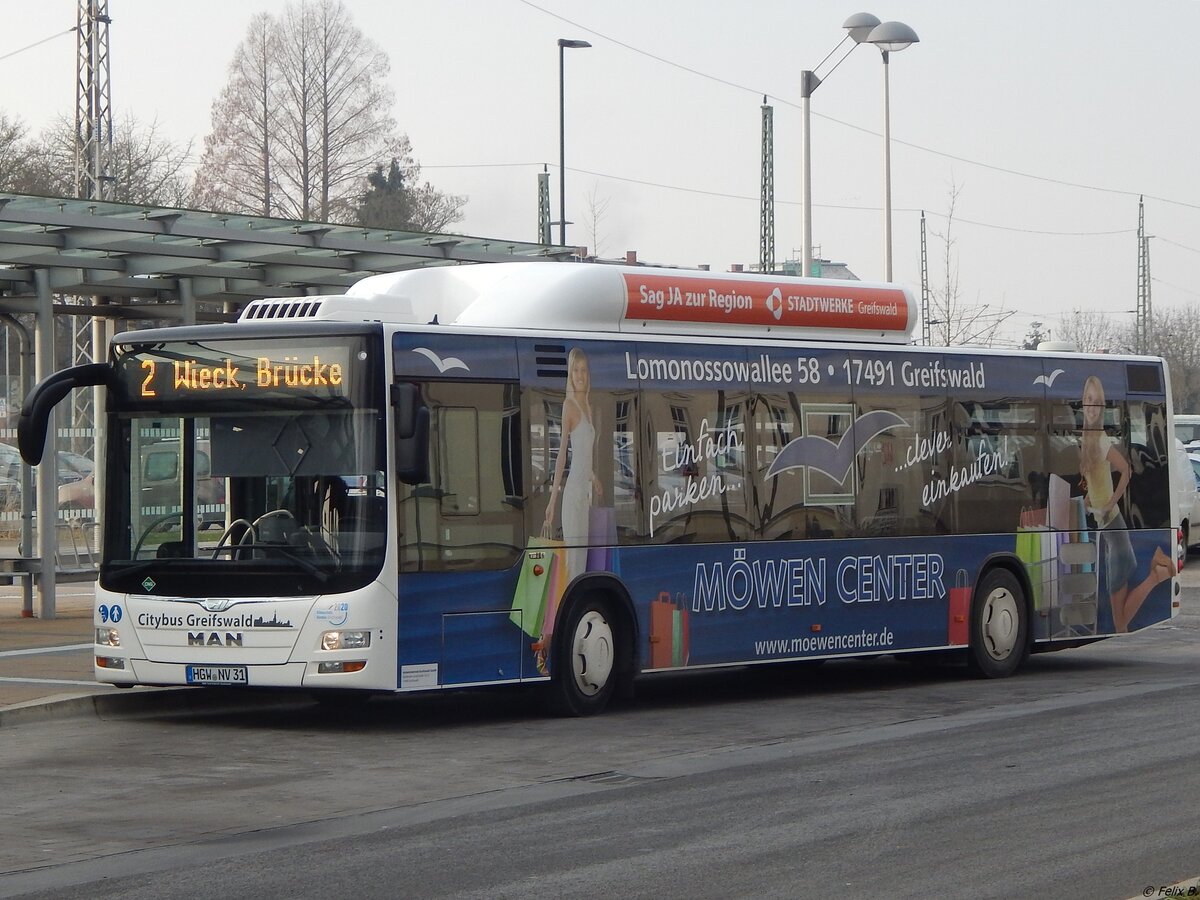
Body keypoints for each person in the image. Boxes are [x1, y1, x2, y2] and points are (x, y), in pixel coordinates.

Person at [1078, 375, 1173, 632]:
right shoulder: (1087, 439)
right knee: (1119, 623)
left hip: (1114, 531)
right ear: (1082, 402)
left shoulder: (1099, 439)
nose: (1091, 407)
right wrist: (1087, 500)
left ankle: (1158, 575)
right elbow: (1097, 481)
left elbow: (1126, 470)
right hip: (1110, 532)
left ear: (1102, 407)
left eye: (1097, 403)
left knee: (1119, 625)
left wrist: (1108, 504)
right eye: (1088, 400)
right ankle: (1158, 571)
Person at [543, 347, 602, 580]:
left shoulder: (588, 407)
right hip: (572, 494)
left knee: (582, 561)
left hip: (584, 494)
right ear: (570, 373)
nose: (580, 375)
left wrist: (595, 478)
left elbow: (584, 456)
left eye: (584, 370)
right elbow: (563, 456)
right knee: (573, 561)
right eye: (576, 370)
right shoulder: (569, 406)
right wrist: (552, 502)